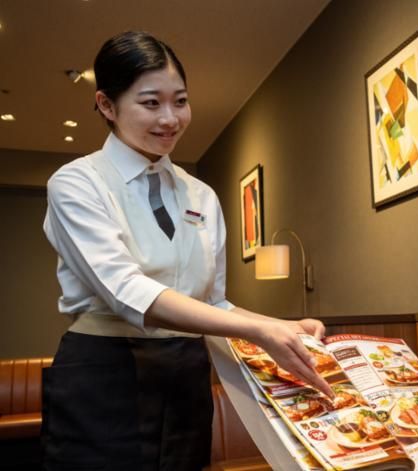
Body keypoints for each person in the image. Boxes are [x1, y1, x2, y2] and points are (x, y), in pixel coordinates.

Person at [41, 30, 332, 471]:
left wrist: (282, 326)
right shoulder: (78, 183)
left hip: (185, 375)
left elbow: (214, 304)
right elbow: (127, 291)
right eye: (151, 103)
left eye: (180, 101)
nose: (170, 118)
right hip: (104, 373)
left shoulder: (201, 195)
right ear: (107, 105)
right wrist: (260, 331)